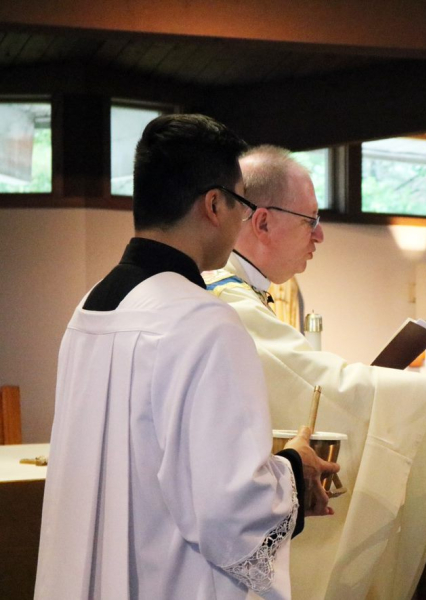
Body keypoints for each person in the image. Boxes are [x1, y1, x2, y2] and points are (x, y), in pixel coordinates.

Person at [202, 145, 426, 599]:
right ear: (262, 221)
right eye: (310, 221)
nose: (318, 237)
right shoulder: (228, 302)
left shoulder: (233, 292)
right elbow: (316, 381)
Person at [35, 115, 338, 600]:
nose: (243, 219)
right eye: (241, 204)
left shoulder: (92, 304)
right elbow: (232, 514)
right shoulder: (203, 320)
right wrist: (293, 468)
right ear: (215, 204)